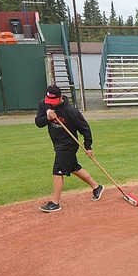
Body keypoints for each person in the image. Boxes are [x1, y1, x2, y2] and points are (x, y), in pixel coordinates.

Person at [34, 85, 103, 213]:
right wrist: (47, 117)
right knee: (73, 167)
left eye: (54, 102)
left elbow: (85, 129)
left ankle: (55, 203)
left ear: (60, 98)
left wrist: (88, 147)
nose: (51, 105)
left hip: (69, 144)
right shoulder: (44, 104)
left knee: (58, 171)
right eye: (49, 102)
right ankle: (96, 187)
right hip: (57, 143)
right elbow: (38, 123)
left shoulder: (71, 111)